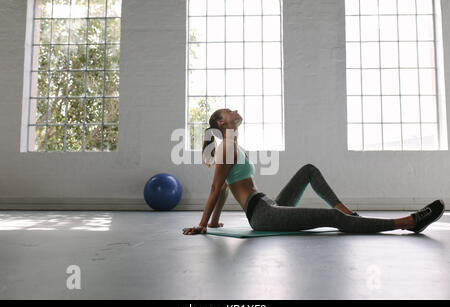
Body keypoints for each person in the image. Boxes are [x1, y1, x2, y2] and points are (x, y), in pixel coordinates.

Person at [182, 108, 445, 235]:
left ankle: (346, 211)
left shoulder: (234, 146)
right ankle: (408, 222)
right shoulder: (227, 146)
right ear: (220, 122)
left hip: (268, 205)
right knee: (332, 218)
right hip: (262, 214)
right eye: (229, 111)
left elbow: (226, 189)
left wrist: (215, 222)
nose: (236, 111)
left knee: (308, 170)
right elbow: (217, 189)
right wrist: (203, 225)